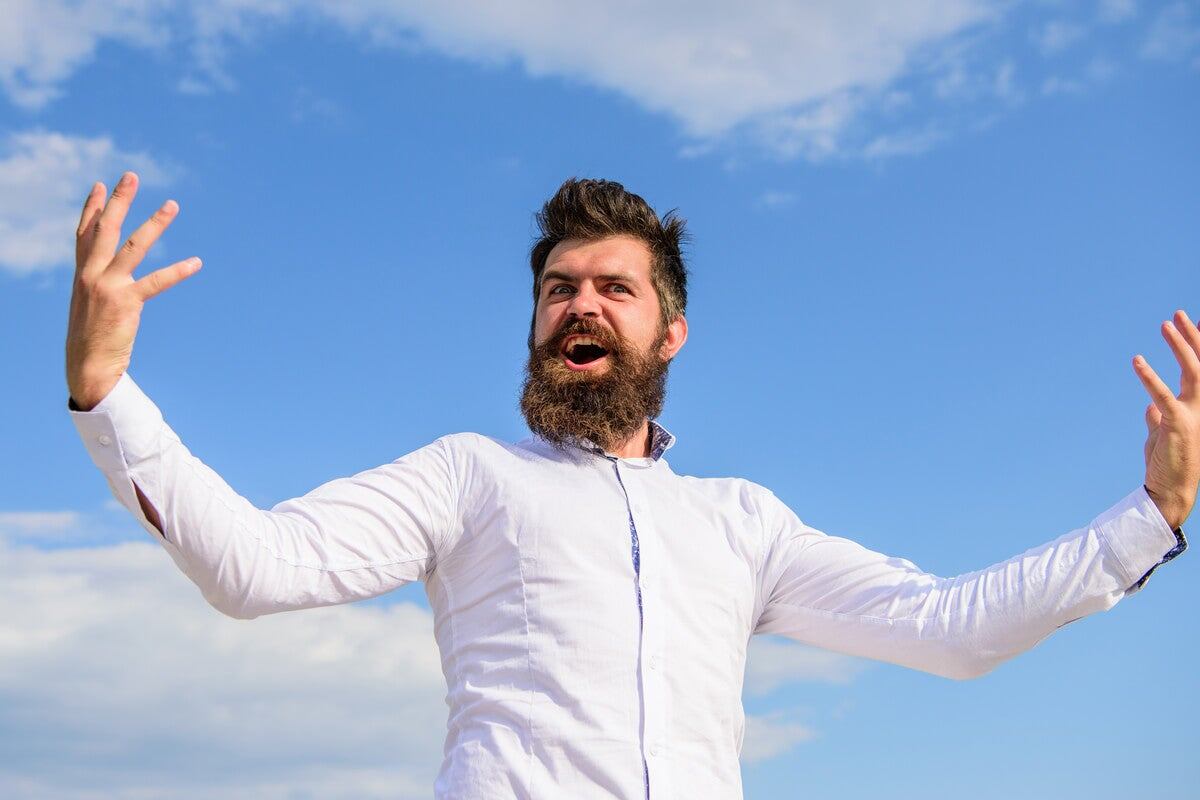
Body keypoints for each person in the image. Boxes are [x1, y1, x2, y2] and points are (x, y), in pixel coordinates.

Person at [65, 172, 1195, 800]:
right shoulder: (470, 476)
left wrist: (1149, 517)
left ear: (672, 332)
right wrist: (109, 391)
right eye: (559, 288)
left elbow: (948, 626)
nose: (580, 304)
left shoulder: (741, 521)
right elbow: (255, 568)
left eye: (614, 286)